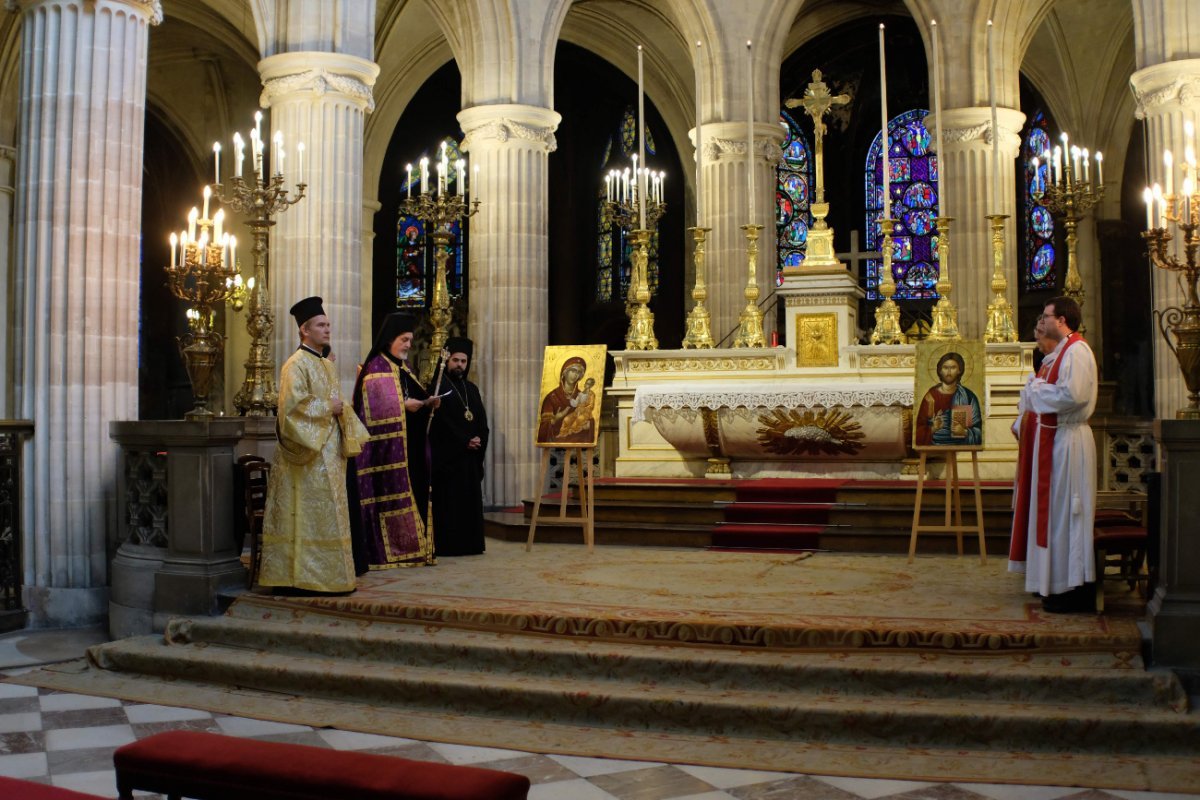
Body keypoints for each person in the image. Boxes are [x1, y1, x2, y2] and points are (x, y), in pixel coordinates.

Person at [260, 296, 368, 594]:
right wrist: (326, 408)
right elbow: (290, 411)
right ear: (304, 330)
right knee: (306, 515)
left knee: (330, 514)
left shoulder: (325, 365)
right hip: (306, 458)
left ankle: (330, 576)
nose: (327, 330)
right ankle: (298, 578)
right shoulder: (294, 365)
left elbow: (338, 403)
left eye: (328, 324)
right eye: (321, 325)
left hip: (329, 454)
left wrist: (352, 433)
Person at [1008, 296, 1098, 613]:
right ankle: (1055, 584)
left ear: (1061, 320)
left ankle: (1072, 588)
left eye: (1046, 317)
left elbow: (1072, 395)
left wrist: (1034, 390)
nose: (1042, 323)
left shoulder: (1078, 351)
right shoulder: (1062, 352)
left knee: (1067, 515)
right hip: (1057, 439)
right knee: (1056, 516)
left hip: (1069, 440)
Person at [347, 313, 439, 573]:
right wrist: (404, 406)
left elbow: (414, 398)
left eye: (410, 340)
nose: (409, 345)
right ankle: (394, 551)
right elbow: (373, 411)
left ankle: (417, 547)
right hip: (386, 455)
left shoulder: (402, 368)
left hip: (410, 448)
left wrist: (427, 403)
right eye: (404, 339)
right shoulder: (376, 368)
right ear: (390, 340)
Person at [428, 337, 490, 556]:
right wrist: (464, 440)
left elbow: (481, 419)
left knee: (469, 504)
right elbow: (440, 422)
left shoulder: (471, 389)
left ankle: (471, 545)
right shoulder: (437, 386)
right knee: (450, 504)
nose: (460, 365)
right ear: (447, 360)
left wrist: (479, 438)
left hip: (470, 459)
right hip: (449, 460)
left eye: (464, 361)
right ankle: (449, 546)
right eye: (455, 360)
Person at [914, 351, 982, 446]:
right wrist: (933, 428)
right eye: (945, 368)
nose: (949, 372)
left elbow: (979, 430)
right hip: (934, 444)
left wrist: (965, 432)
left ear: (959, 370)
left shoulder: (968, 396)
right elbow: (918, 429)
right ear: (940, 370)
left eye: (953, 368)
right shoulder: (930, 397)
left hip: (961, 445)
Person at [537, 356, 595, 444]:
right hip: (555, 443)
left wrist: (588, 424)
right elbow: (543, 426)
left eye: (578, 372)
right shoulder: (552, 397)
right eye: (573, 370)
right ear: (565, 372)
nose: (575, 375)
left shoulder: (582, 396)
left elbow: (590, 414)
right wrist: (555, 418)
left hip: (577, 440)